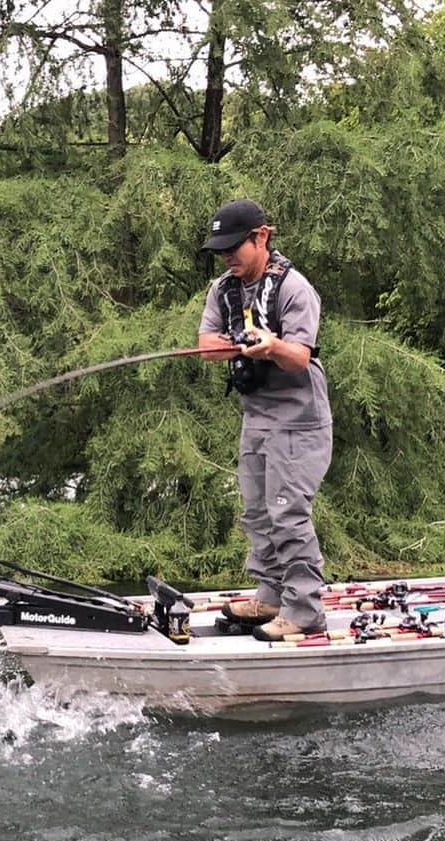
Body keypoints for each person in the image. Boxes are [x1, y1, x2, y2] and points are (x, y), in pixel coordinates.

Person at [197, 199, 333, 642]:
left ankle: (305, 610)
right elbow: (206, 345)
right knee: (257, 512)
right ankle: (271, 594)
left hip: (300, 419)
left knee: (287, 513)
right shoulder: (222, 290)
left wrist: (270, 345)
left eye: (235, 247)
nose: (228, 257)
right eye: (221, 251)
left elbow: (299, 357)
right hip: (256, 416)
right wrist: (237, 343)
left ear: (262, 237)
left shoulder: (295, 288)